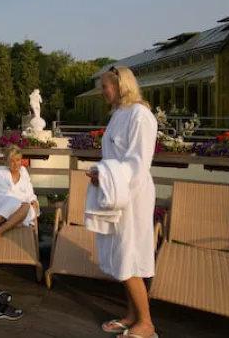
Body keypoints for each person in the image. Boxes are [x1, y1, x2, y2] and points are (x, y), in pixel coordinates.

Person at [86, 66, 158, 338]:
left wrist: (106, 176)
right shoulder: (119, 115)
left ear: (120, 86)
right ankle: (132, 316)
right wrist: (101, 176)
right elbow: (114, 160)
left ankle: (147, 324)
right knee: (122, 255)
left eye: (105, 86)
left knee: (129, 256)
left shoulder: (140, 116)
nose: (102, 91)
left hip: (133, 196)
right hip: (116, 193)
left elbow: (137, 164)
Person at [0, 145, 40, 242]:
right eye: (12, 161)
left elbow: (30, 193)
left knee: (26, 205)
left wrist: (33, 200)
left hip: (17, 209)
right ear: (7, 162)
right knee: (13, 201)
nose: (15, 164)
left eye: (18, 160)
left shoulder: (24, 173)